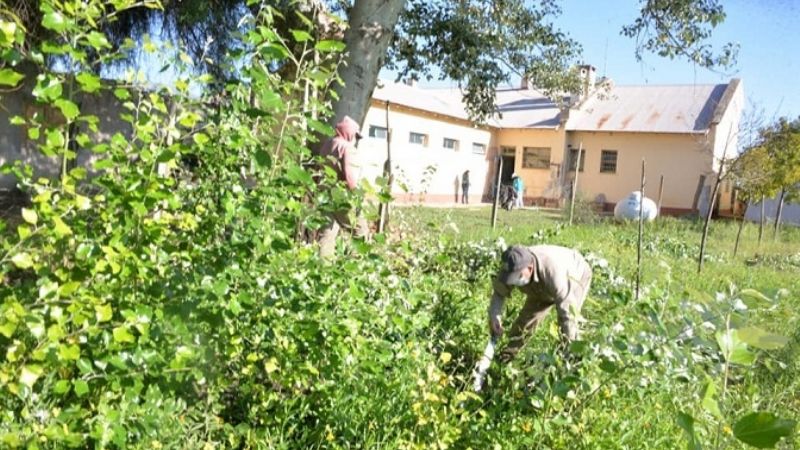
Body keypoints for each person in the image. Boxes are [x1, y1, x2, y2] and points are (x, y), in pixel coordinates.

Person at [488, 244, 592, 362]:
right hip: (540, 285)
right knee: (524, 323)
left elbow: (567, 312)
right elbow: (499, 292)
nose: (513, 282)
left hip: (576, 275)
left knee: (567, 325)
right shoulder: (510, 265)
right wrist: (495, 315)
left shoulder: (553, 273)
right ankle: (506, 358)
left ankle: (569, 360)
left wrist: (571, 342)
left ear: (530, 269)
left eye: (516, 277)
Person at [316, 115, 369, 258]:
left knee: (327, 235)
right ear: (349, 132)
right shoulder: (347, 147)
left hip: (325, 195)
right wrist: (357, 196)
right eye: (355, 136)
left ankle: (322, 269)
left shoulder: (327, 145)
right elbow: (349, 176)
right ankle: (357, 266)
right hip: (342, 198)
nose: (355, 139)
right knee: (360, 231)